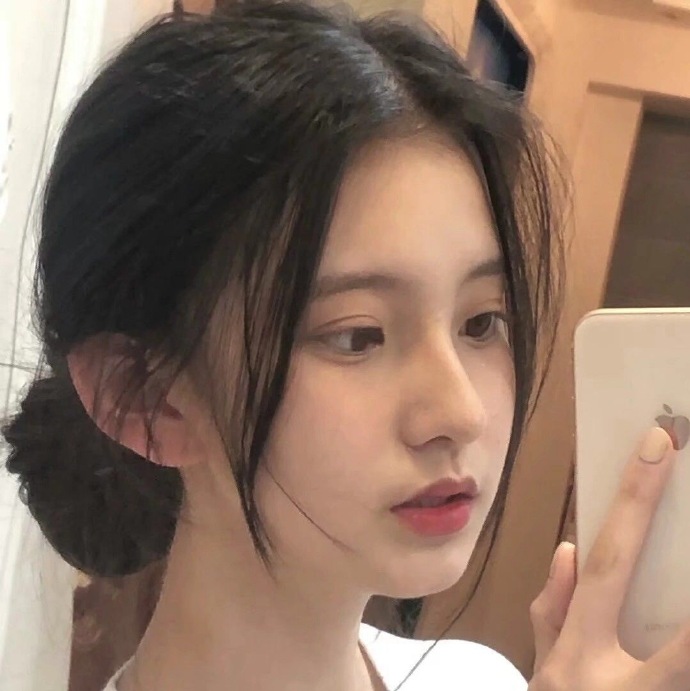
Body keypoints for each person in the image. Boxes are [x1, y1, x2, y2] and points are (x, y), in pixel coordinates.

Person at [3, 2, 689, 690]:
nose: (463, 412)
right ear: (146, 396)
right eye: (359, 335)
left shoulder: (480, 678)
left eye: (482, 322)